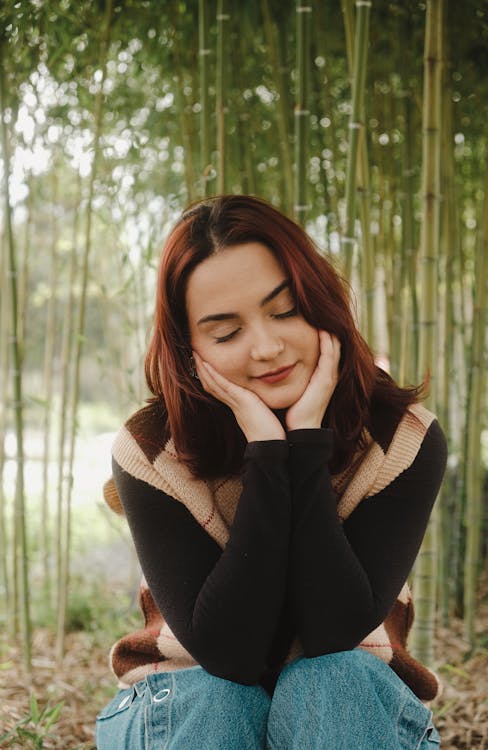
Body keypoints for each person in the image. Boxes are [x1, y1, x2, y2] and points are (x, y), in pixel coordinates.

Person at [96, 195, 446, 749]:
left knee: (331, 684)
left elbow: (335, 631)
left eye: (285, 311)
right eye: (226, 332)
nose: (266, 347)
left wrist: (303, 443)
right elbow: (229, 654)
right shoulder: (151, 451)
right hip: (188, 703)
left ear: (322, 302)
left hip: (350, 710)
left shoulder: (401, 439)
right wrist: (266, 446)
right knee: (217, 700)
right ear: (190, 351)